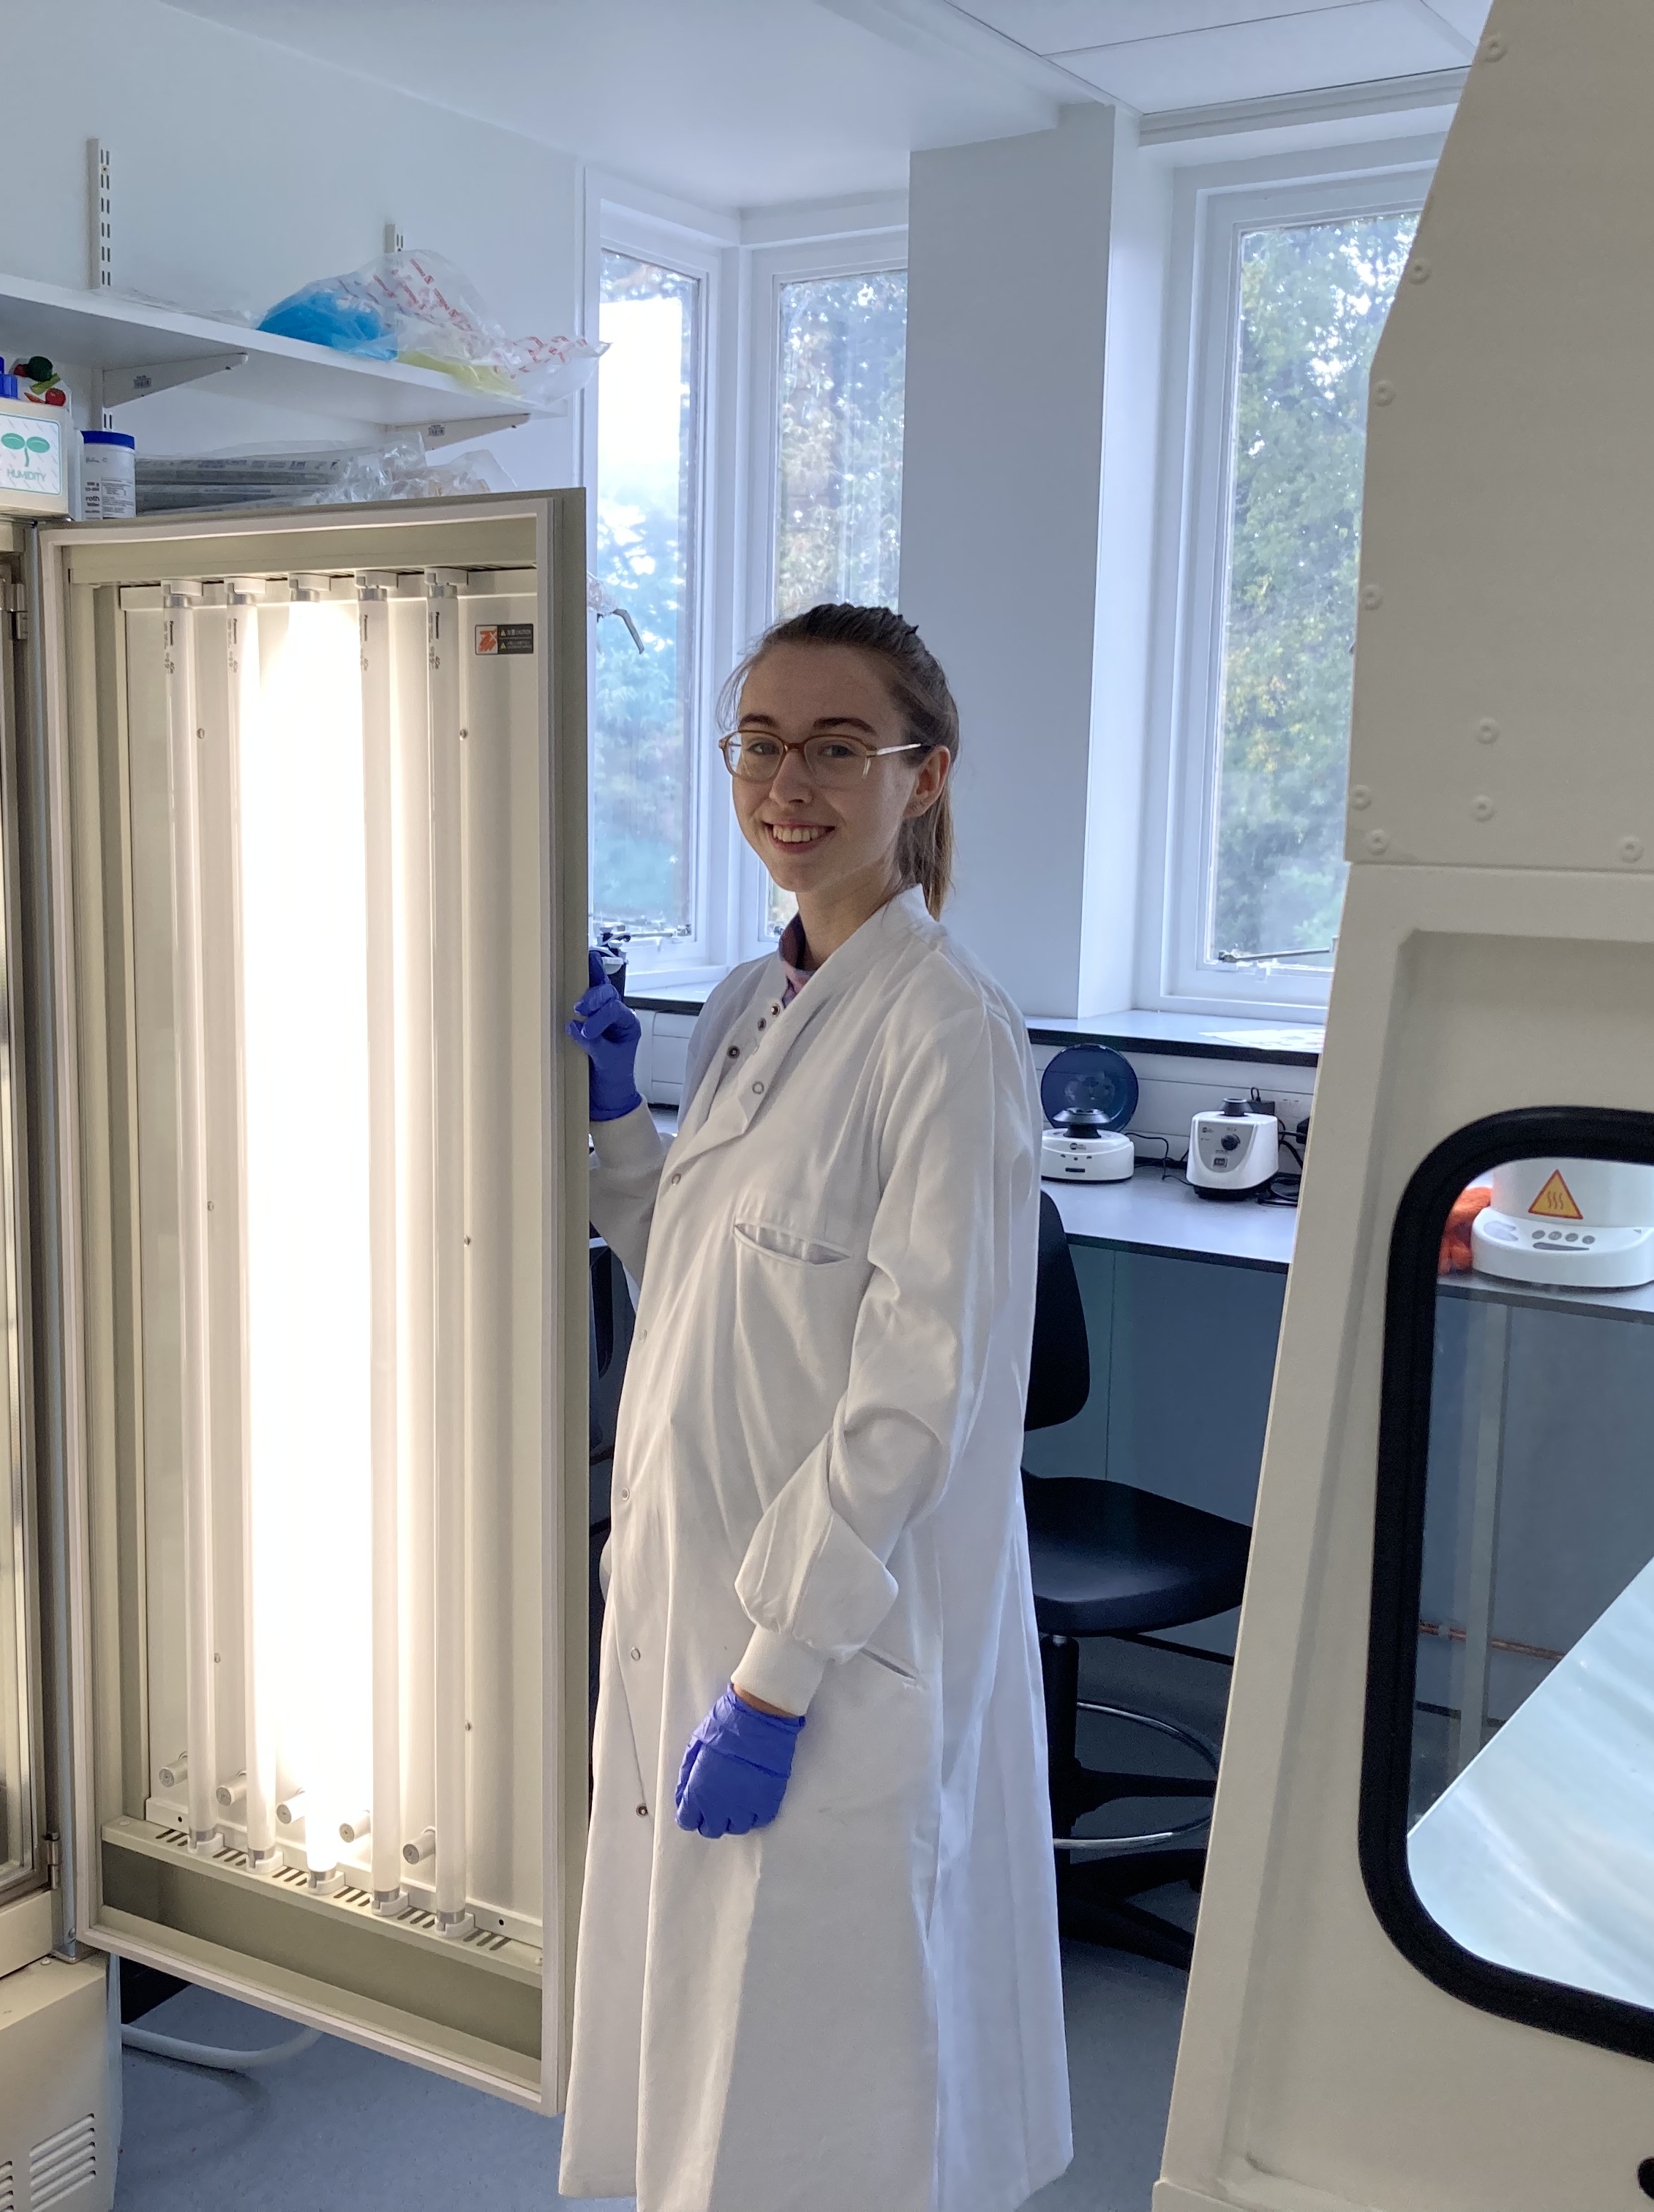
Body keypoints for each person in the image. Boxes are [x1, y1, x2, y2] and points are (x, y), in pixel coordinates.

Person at [557, 604, 1070, 2212]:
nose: (793, 782)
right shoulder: (746, 1001)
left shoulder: (948, 1036)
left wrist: (773, 1683)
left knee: (833, 2074)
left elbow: (917, 1400)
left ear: (922, 778)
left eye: (840, 747)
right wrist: (613, 1127)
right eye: (763, 743)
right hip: (697, 1591)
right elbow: (694, 1268)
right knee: (707, 2035)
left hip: (828, 1647)